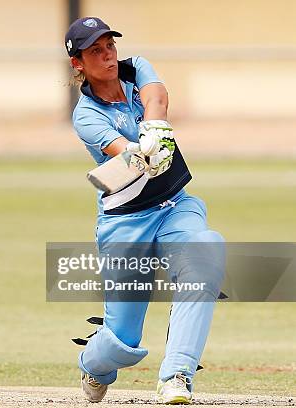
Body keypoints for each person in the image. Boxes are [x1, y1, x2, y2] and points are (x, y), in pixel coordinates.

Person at [65, 18, 225, 404]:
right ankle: (93, 363)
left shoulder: (136, 68)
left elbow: (158, 97)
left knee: (206, 249)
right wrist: (145, 152)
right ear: (78, 64)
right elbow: (121, 152)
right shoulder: (85, 115)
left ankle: (177, 376)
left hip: (175, 207)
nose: (106, 56)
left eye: (109, 47)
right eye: (94, 52)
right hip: (126, 222)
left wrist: (154, 126)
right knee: (123, 340)